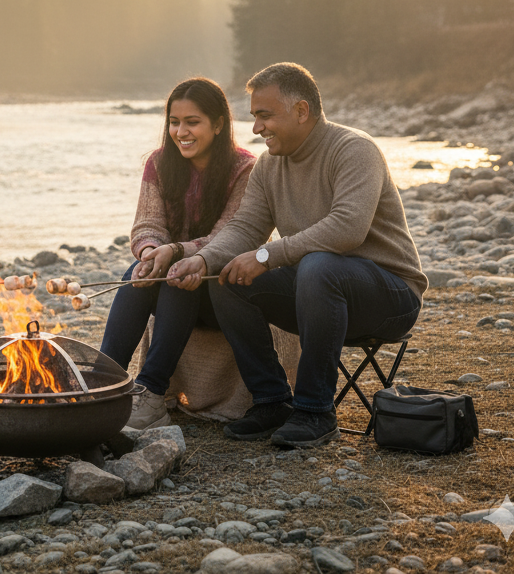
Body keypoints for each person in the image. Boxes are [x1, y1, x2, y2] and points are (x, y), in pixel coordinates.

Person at [169, 62, 426, 448]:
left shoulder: (355, 150)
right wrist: (206, 259)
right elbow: (243, 229)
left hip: (390, 295)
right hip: (319, 291)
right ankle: (272, 401)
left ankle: (315, 411)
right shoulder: (269, 167)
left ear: (302, 111)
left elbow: (347, 227)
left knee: (318, 265)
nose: (256, 128)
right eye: (255, 116)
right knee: (229, 279)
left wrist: (266, 256)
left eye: (265, 115)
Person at [99, 77, 256, 430]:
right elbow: (146, 224)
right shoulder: (159, 163)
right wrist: (152, 251)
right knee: (137, 275)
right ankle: (102, 382)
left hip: (225, 290)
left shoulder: (246, 169)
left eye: (192, 122)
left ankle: (152, 393)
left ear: (218, 124)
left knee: (178, 276)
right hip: (175, 282)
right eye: (174, 121)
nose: (180, 131)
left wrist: (176, 252)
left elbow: (229, 237)